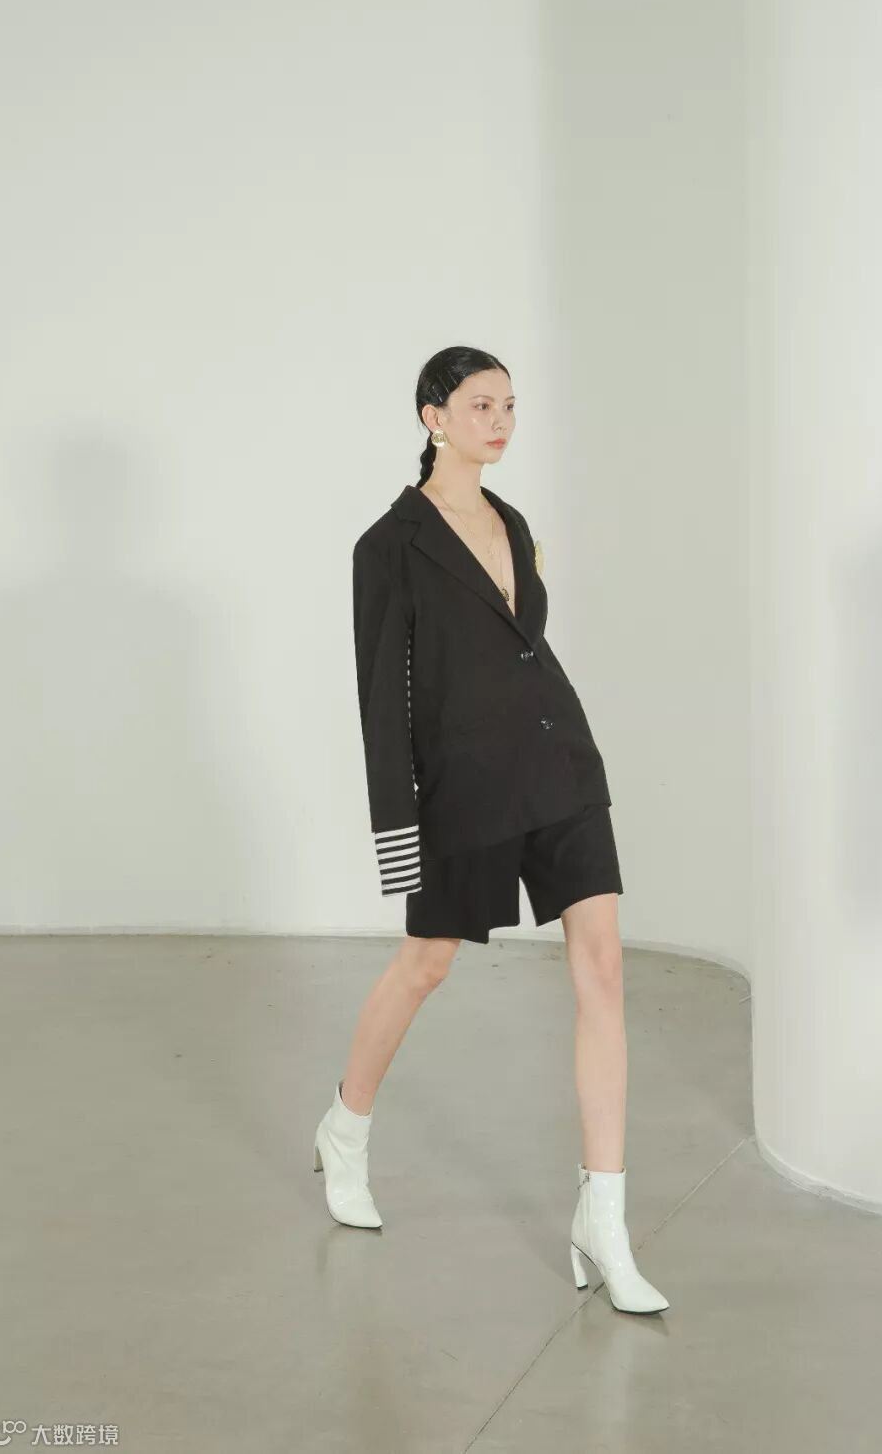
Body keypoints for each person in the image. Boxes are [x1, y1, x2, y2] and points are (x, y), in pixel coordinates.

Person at [312, 346, 668, 1314]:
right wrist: (399, 833)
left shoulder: (512, 520)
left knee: (603, 967)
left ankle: (604, 1216)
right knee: (426, 964)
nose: (501, 422)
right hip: (463, 789)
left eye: (510, 405)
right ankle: (346, 1128)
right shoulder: (389, 545)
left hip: (560, 762)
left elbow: (524, 646)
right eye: (480, 406)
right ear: (433, 417)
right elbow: (382, 702)